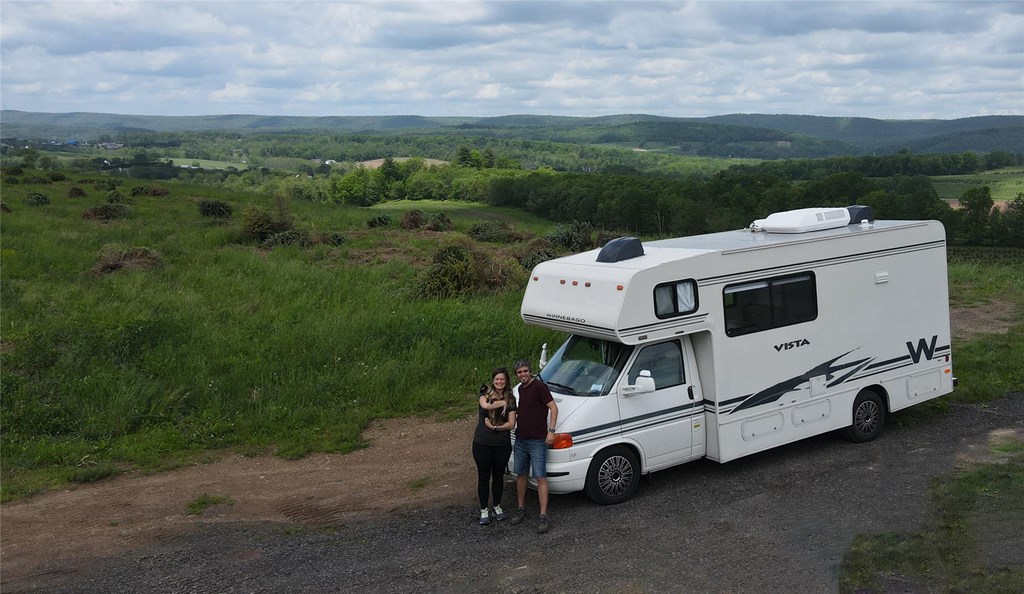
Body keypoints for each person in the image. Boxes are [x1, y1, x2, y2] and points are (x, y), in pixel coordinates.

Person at [509, 358, 558, 534]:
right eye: (519, 372)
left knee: (540, 477)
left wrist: (551, 431)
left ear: (530, 371)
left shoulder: (539, 387)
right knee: (521, 475)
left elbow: (553, 408)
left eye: (525, 371)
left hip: (537, 441)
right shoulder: (520, 389)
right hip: (521, 439)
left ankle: (543, 516)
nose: (523, 374)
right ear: (517, 375)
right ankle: (520, 509)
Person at [472, 367, 517, 526]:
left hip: (502, 444)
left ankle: (497, 505)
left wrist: (496, 427)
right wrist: (502, 402)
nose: (499, 382)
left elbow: (511, 423)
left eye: (502, 379)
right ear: (493, 380)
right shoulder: (485, 394)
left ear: (506, 381)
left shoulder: (511, 398)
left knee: (498, 476)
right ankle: (484, 509)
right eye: (497, 379)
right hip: (482, 443)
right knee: (484, 476)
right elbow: (485, 406)